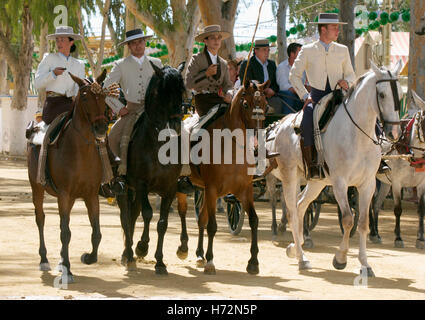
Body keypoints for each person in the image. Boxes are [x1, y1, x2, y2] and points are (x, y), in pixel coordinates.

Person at [289, 13, 356, 180]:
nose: (338, 30)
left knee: (366, 113)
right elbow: (294, 75)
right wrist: (305, 96)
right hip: (316, 98)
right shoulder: (307, 50)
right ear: (323, 29)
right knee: (306, 120)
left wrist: (346, 81)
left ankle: (379, 157)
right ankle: (313, 165)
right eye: (334, 27)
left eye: (337, 27)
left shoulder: (342, 50)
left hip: (339, 96)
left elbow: (351, 75)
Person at [102, 28, 163, 195]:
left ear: (145, 42)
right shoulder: (120, 65)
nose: (138, 45)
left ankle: (176, 176)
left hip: (155, 110)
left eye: (140, 42)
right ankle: (116, 178)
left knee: (176, 134)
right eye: (134, 43)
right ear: (129, 46)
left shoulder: (157, 63)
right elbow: (105, 89)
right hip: (131, 110)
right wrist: (118, 107)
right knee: (112, 137)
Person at [34, 26, 85, 125]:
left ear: (71, 42)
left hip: (72, 106)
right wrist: (53, 74)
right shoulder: (49, 58)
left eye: (62, 40)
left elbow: (79, 85)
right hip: (53, 105)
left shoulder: (79, 64)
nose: (59, 43)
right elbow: (37, 83)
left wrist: (75, 96)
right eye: (57, 40)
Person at [185, 24, 233, 117]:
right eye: (213, 38)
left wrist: (229, 94)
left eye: (219, 38)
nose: (216, 40)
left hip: (220, 100)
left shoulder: (223, 63)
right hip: (203, 101)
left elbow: (228, 85)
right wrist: (206, 74)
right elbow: (189, 84)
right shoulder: (197, 59)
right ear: (205, 41)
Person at [238, 39, 282, 114]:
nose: (267, 52)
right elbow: (246, 84)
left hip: (270, 97)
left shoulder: (272, 64)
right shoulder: (247, 64)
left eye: (268, 50)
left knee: (278, 103)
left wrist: (272, 90)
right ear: (256, 51)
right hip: (253, 97)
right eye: (264, 50)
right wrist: (262, 89)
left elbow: (275, 82)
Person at [276, 42, 307, 114]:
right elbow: (284, 86)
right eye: (300, 53)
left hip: (300, 93)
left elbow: (306, 83)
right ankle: (287, 118)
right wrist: (301, 91)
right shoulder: (282, 67)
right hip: (286, 94)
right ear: (292, 54)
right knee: (288, 94)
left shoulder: (303, 67)